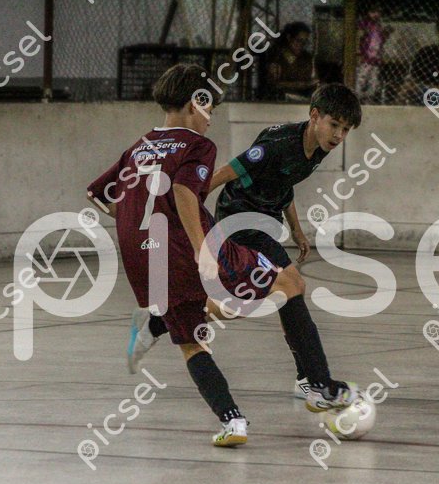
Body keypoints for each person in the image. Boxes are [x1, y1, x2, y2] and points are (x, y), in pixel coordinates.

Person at [87, 64, 357, 447]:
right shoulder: (199, 145)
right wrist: (202, 249)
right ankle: (319, 385)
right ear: (194, 103)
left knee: (194, 339)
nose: (211, 118)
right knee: (288, 285)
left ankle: (233, 420)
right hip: (214, 237)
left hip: (149, 257)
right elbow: (188, 191)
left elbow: (99, 195)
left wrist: (141, 226)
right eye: (209, 108)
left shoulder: (139, 147)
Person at [208, 84, 362, 400]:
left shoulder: (319, 148)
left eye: (346, 130)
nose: (339, 135)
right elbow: (226, 172)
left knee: (266, 297)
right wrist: (184, 205)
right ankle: (317, 383)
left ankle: (163, 320)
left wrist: (296, 229)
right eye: (334, 125)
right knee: (292, 286)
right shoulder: (276, 144)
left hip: (266, 221)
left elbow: (284, 183)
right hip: (240, 219)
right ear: (314, 116)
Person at [397, 17, 439, 106]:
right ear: (438, 31)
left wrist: (429, 88)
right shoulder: (426, 52)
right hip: (420, 93)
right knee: (406, 88)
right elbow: (412, 79)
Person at [266, 22, 317, 101]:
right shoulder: (276, 57)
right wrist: (299, 85)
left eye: (305, 42)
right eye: (298, 40)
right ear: (289, 38)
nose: (301, 45)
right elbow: (273, 84)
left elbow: (312, 78)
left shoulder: (307, 58)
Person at [356, 4, 393, 104]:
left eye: (378, 12)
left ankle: (368, 99)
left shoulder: (378, 25)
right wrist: (358, 53)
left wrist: (386, 34)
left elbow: (379, 41)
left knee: (373, 81)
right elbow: (359, 37)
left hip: (375, 58)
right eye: (373, 12)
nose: (376, 14)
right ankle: (357, 98)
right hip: (365, 57)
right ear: (368, 13)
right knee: (361, 79)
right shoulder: (365, 23)